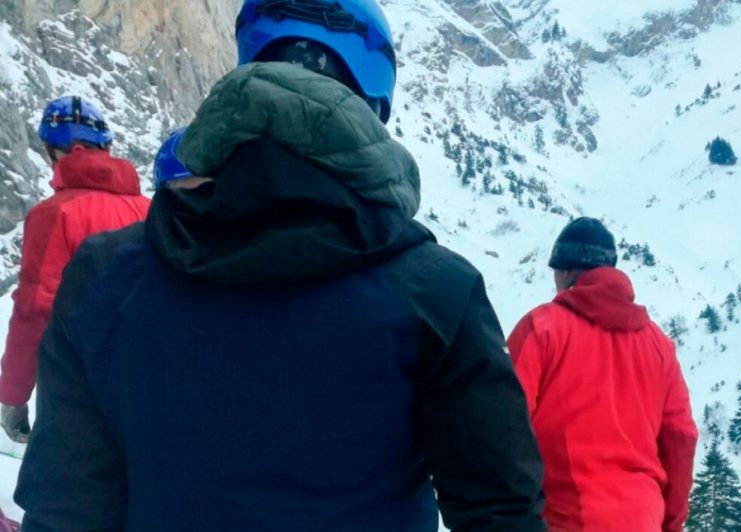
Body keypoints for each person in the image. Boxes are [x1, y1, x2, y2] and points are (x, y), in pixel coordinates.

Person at [15, 1, 545, 531]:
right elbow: (502, 514)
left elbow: (65, 510)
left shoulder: (104, 277)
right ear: (375, 103)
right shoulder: (437, 293)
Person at [508, 217, 699, 532]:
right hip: (643, 520)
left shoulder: (541, 329)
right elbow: (681, 439)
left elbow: (504, 426)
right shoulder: (659, 345)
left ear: (565, 272)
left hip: (564, 520)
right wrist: (670, 523)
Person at [0, 96, 150, 443]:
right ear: (106, 147)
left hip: (79, 393)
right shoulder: (150, 210)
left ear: (53, 151)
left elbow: (35, 311)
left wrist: (13, 396)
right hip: (150, 382)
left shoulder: (53, 214)